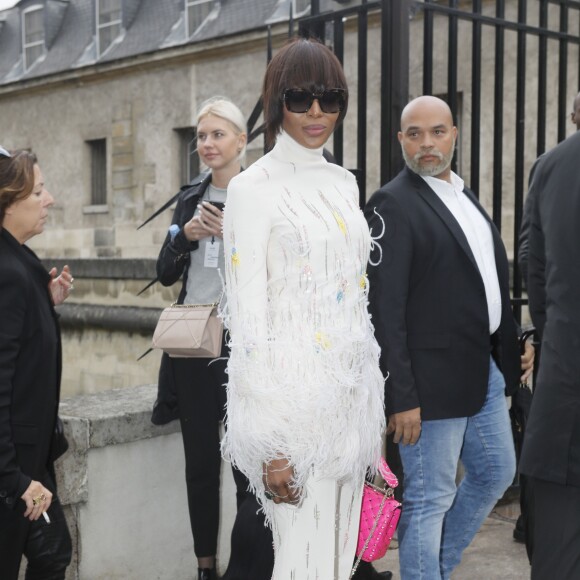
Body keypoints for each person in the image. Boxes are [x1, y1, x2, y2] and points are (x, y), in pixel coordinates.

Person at [221, 37, 385, 580]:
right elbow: (247, 324)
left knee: (339, 563)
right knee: (300, 564)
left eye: (330, 98)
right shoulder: (250, 189)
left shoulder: (344, 183)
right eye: (299, 97)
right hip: (293, 416)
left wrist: (370, 415)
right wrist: (270, 444)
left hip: (352, 409)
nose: (317, 112)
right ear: (276, 101)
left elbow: (355, 301)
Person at [365, 96, 534, 580]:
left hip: (480, 369)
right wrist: (401, 396)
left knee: (497, 472)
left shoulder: (463, 196)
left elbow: (482, 283)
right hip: (427, 385)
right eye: (414, 134)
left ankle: (434, 567)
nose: (427, 144)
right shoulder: (391, 203)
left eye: (437, 131)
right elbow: (384, 310)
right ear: (400, 140)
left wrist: (511, 340)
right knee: (429, 499)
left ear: (455, 134)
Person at [151, 97, 249, 580]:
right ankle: (205, 566)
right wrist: (184, 236)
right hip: (194, 344)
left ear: (241, 141)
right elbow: (165, 273)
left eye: (217, 135)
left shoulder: (259, 193)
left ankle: (250, 563)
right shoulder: (190, 196)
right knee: (200, 464)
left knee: (248, 461)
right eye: (201, 137)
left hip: (246, 346)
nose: (207, 145)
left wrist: (234, 232)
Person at [0, 147, 74, 579]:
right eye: (39, 192)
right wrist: (13, 478)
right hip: (14, 469)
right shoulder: (9, 271)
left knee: (52, 554)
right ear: (9, 201)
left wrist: (46, 306)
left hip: (27, 460)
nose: (49, 200)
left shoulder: (20, 259)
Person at [518, 130, 580, 579]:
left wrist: (557, 337)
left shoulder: (550, 166)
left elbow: (533, 270)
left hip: (563, 390)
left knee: (558, 552)